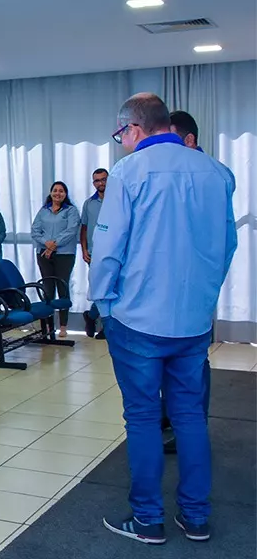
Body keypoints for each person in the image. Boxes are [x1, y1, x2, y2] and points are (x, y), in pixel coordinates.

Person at [94, 93, 237, 544]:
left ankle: (148, 519)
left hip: (137, 319)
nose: (122, 143)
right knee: (191, 417)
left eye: (121, 135)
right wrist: (204, 297)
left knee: (141, 418)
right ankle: (195, 517)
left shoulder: (128, 172)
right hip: (193, 320)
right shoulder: (217, 173)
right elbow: (227, 246)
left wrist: (104, 305)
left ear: (134, 129)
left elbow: (108, 249)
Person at [160, 110, 212, 456]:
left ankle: (189, 425)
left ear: (189, 141)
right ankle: (173, 415)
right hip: (169, 290)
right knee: (168, 361)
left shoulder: (208, 178)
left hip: (192, 289)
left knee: (192, 367)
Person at [31, 181, 80, 338]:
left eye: (61, 191)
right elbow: (35, 230)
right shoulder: (43, 210)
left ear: (65, 194)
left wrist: (54, 245)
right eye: (55, 190)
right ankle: (47, 326)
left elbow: (71, 231)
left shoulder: (71, 211)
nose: (58, 193)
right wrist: (47, 243)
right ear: (51, 193)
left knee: (62, 286)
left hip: (64, 254)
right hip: (43, 254)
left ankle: (64, 326)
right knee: (48, 288)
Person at [81, 169, 108, 340]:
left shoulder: (117, 200)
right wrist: (84, 250)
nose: (100, 183)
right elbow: (83, 228)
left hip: (115, 252)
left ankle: (92, 316)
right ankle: (96, 319)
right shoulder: (89, 203)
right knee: (101, 290)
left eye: (103, 180)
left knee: (111, 289)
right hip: (94, 254)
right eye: (97, 181)